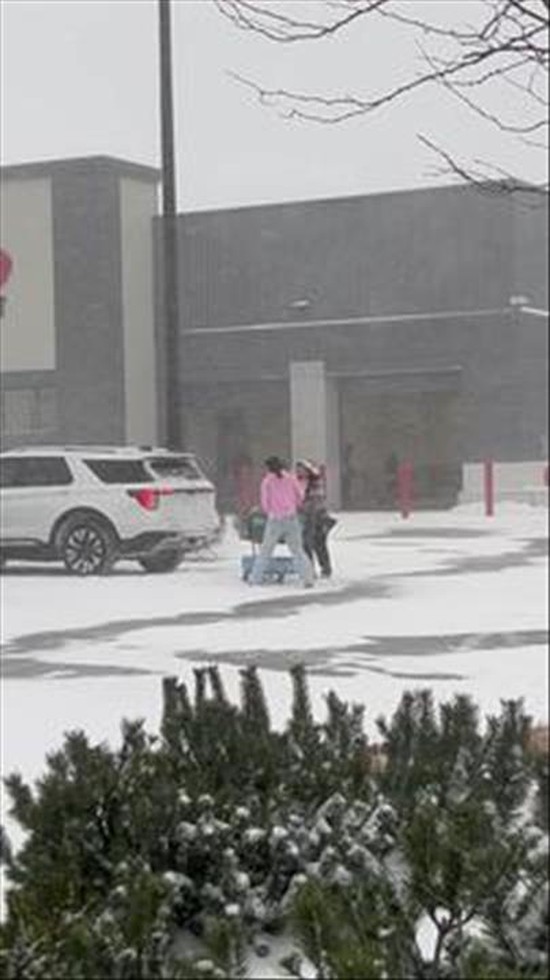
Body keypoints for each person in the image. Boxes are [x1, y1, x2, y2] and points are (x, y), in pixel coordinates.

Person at [250, 456, 315, 587]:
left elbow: (265, 503)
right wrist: (293, 506)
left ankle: (256, 579)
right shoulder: (291, 478)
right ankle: (308, 579)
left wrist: (270, 511)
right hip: (291, 518)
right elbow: (299, 496)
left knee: (266, 551)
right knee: (297, 551)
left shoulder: (267, 481)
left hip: (275, 520)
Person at [295, 459, 335, 578]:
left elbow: (317, 499)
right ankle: (309, 569)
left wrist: (304, 505)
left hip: (317, 516)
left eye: (301, 469)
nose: (299, 472)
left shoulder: (315, 482)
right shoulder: (297, 482)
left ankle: (325, 568)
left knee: (319, 543)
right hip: (304, 517)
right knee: (305, 543)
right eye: (297, 469)